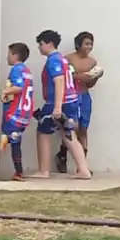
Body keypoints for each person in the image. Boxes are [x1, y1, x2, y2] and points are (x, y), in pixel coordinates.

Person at [32, 30, 92, 180]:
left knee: (43, 132)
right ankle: (83, 170)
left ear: (49, 44)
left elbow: (59, 81)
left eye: (41, 44)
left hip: (59, 102)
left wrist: (57, 107)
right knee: (69, 134)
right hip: (71, 101)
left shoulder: (53, 60)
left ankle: (43, 170)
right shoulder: (63, 59)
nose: (39, 48)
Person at [55, 31, 101, 172]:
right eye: (86, 43)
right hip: (70, 96)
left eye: (91, 44)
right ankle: (62, 155)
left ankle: (82, 166)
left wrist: (95, 77)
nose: (89, 47)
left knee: (83, 128)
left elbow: (89, 84)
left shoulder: (92, 62)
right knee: (71, 127)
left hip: (84, 96)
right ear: (78, 44)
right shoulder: (68, 58)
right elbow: (66, 77)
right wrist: (82, 76)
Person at [0, 43, 36, 181]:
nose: (7, 57)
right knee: (15, 140)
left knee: (6, 138)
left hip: (14, 113)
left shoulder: (16, 69)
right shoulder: (27, 71)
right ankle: (18, 172)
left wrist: (4, 91)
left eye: (8, 54)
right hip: (24, 114)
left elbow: (18, 88)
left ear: (15, 55)